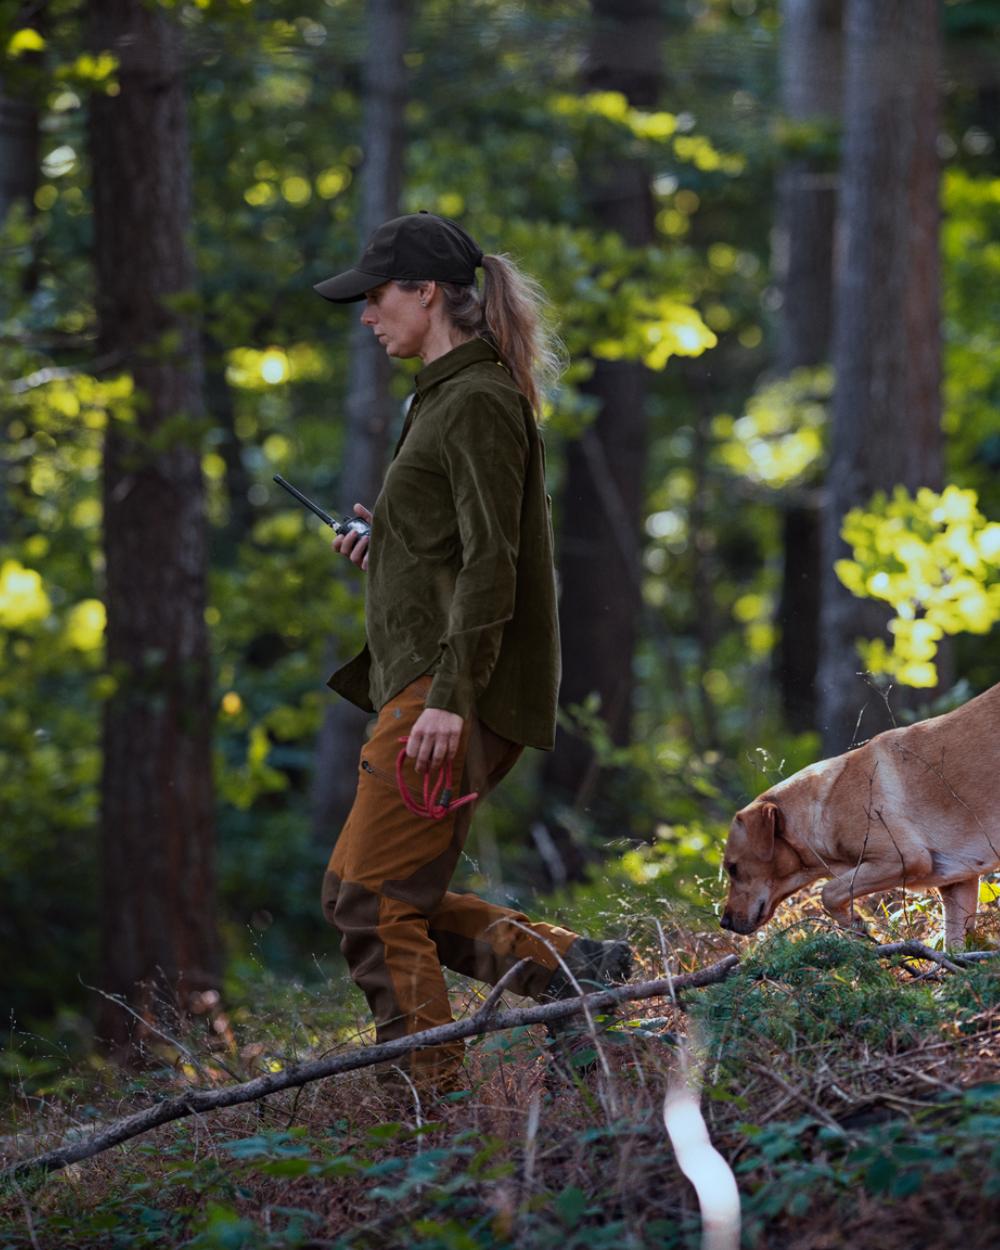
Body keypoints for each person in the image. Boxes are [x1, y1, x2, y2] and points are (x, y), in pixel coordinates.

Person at [314, 211, 630, 1095]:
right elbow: (462, 546)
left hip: (447, 689)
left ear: (425, 292)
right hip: (426, 682)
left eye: (376, 297)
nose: (366, 316)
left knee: (371, 901)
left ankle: (428, 1109)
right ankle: (575, 972)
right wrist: (390, 542)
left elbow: (498, 562)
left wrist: (451, 700)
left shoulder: (479, 398)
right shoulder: (444, 395)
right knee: (367, 893)